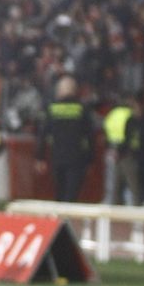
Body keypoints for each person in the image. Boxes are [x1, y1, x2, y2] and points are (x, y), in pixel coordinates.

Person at [37, 74, 93, 202]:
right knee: (71, 196)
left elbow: (43, 134)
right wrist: (90, 160)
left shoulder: (52, 108)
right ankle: (67, 221)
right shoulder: (82, 109)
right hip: (76, 159)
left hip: (57, 157)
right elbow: (90, 137)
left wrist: (39, 157)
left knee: (59, 194)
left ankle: (59, 221)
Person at [102, 96, 141, 206]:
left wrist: (111, 148)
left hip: (112, 152)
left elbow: (106, 132)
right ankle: (137, 217)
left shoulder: (112, 114)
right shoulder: (129, 115)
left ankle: (112, 216)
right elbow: (129, 136)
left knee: (113, 187)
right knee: (133, 186)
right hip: (126, 154)